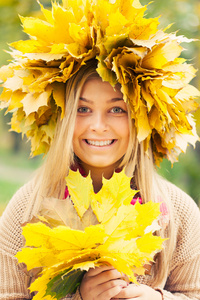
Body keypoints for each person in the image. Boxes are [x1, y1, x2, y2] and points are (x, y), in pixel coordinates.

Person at [0, 0, 200, 300]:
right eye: (83, 109)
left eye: (116, 110)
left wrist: (158, 298)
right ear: (64, 118)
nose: (97, 125)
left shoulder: (179, 212)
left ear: (140, 120)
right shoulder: (29, 207)